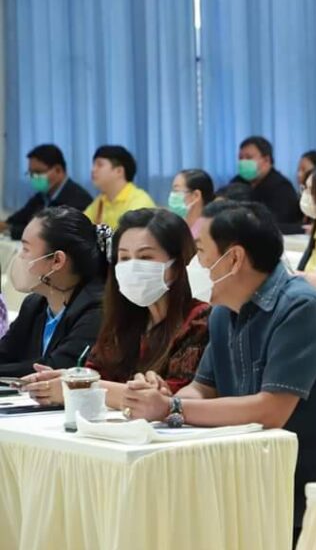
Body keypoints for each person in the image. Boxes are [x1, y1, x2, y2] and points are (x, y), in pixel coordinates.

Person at [117, 200, 316, 547]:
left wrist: (171, 409)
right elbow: (202, 389)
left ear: (234, 258)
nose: (194, 264)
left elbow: (271, 410)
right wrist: (164, 395)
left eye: (200, 252)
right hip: (256, 481)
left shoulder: (300, 306)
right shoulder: (224, 312)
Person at [25, 208, 210, 409]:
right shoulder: (123, 319)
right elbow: (96, 372)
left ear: (177, 265)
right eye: (124, 258)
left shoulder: (199, 319)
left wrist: (80, 386)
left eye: (145, 257)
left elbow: (172, 399)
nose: (132, 267)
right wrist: (70, 377)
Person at [0, 207, 106, 376]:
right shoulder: (34, 304)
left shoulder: (97, 310)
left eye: (26, 249)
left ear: (57, 260)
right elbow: (5, 353)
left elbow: (55, 368)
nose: (19, 257)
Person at [0, 144, 92, 240]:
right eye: (31, 173)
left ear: (58, 170)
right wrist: (7, 226)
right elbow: (15, 220)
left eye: (38, 172)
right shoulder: (41, 196)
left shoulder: (79, 199)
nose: (33, 177)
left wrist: (10, 229)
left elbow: (51, 234)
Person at [231, 136, 303, 234]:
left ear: (266, 160)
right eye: (240, 158)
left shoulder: (281, 187)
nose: (243, 162)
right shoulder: (237, 181)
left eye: (248, 158)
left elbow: (277, 224)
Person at [83, 145, 156, 231]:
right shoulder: (100, 202)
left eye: (100, 165)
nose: (93, 170)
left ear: (119, 171)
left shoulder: (139, 201)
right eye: (94, 165)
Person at [168, 168, 214, 239]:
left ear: (196, 196)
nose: (172, 195)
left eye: (176, 190)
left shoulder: (208, 233)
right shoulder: (179, 230)